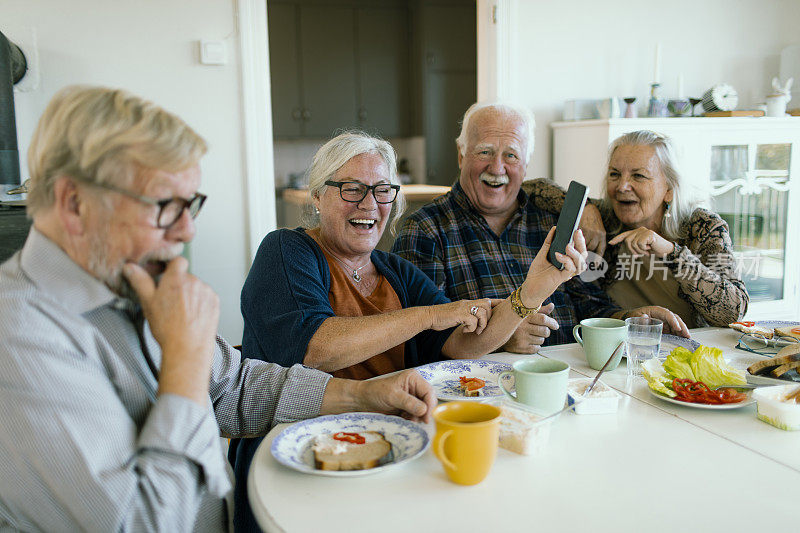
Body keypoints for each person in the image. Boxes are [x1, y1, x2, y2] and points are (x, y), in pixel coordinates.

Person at [0, 85, 439, 532]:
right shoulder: (19, 338)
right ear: (75, 204)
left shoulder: (124, 285)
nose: (188, 230)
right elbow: (147, 523)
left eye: (190, 204)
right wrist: (186, 361)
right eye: (164, 205)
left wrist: (365, 395)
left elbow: (235, 384)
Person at [232, 131, 588, 527]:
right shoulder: (287, 251)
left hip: (387, 447)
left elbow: (466, 343)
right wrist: (428, 315)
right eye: (352, 189)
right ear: (317, 196)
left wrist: (537, 285)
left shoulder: (393, 270)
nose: (369, 204)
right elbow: (316, 348)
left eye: (382, 190)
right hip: (294, 459)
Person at [391, 103, 687, 354]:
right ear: (461, 154)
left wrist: (630, 319)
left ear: (527, 162)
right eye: (484, 152)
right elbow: (422, 338)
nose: (497, 167)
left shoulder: (551, 222)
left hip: (572, 380)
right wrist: (502, 337)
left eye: (511, 155)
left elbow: (590, 306)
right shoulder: (425, 230)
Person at [525, 129, 748, 328]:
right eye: (614, 174)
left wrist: (671, 251)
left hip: (688, 352)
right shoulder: (605, 217)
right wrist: (587, 208)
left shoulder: (703, 227)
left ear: (669, 189)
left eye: (638, 176)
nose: (622, 186)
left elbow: (732, 312)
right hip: (621, 347)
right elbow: (530, 188)